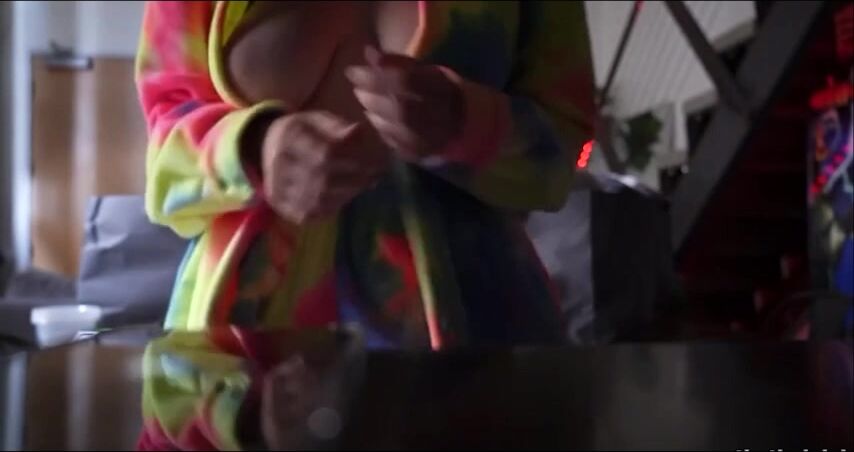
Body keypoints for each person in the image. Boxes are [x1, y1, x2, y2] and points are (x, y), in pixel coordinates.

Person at [136, 0, 594, 448]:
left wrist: (468, 121)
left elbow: (567, 152)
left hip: (484, 359)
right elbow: (163, 157)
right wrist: (254, 147)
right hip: (233, 374)